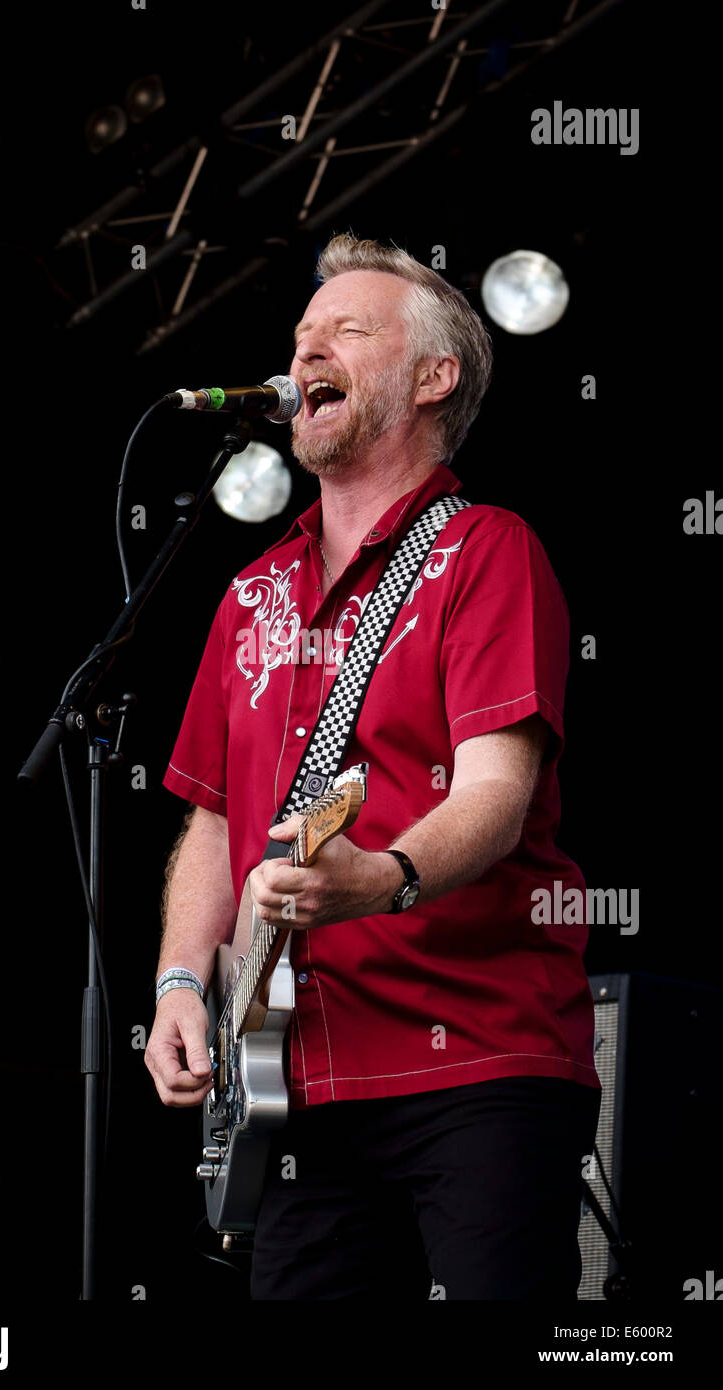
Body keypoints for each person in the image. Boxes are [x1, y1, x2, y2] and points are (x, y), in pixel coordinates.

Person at [145, 234, 601, 1300]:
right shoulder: (248, 590)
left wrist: (379, 878)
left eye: (346, 329)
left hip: (479, 1065)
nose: (306, 349)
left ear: (431, 377)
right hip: (294, 1083)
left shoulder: (485, 551)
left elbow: (496, 792)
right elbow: (210, 822)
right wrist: (178, 980)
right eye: (301, 335)